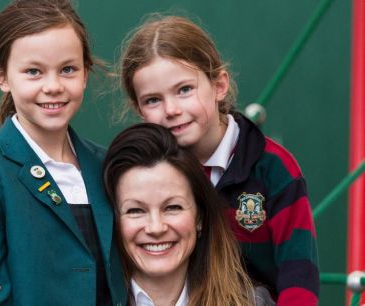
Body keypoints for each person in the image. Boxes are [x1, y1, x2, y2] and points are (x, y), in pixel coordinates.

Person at [118, 15, 319, 306]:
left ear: (219, 85)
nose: (171, 109)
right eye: (153, 100)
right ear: (138, 108)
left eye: (184, 90)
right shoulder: (142, 170)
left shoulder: (273, 168)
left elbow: (299, 273)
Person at [0, 0, 126, 305]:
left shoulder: (107, 166)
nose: (53, 86)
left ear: (85, 73)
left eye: (67, 69)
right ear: (1, 77)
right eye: (33, 71)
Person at [103, 123, 255, 306]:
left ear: (200, 217)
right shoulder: (82, 299)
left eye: (173, 207)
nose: (156, 228)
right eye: (135, 210)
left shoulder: (251, 302)